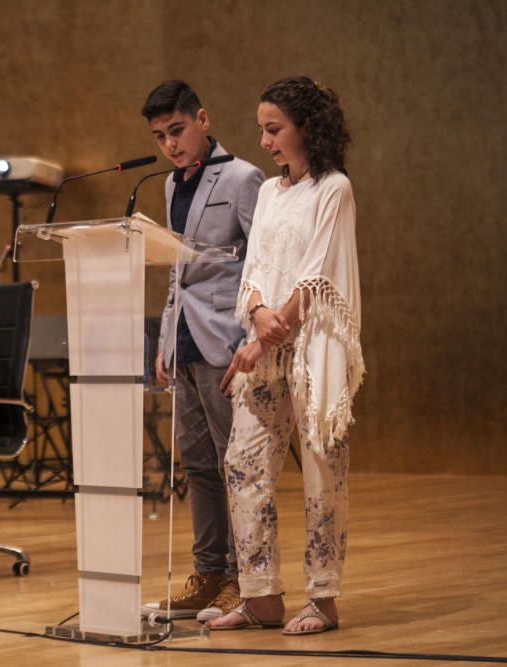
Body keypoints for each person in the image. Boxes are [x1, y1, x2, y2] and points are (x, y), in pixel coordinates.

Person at [209, 76, 364, 635]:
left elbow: (319, 274)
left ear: (306, 127)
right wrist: (255, 315)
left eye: (273, 129)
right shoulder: (271, 193)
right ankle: (261, 594)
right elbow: (253, 270)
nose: (266, 141)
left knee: (323, 471)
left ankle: (323, 598)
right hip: (264, 344)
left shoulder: (334, 189)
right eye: (261, 131)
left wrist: (269, 330)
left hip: (313, 347)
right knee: (243, 464)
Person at [139, 80, 265, 623]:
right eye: (160, 136)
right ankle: (208, 573)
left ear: (202, 119)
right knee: (196, 463)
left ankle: (243, 577)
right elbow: (178, 270)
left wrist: (250, 338)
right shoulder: (170, 184)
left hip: (227, 340)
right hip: (186, 339)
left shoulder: (242, 177)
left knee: (230, 461)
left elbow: (262, 261)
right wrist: (165, 337)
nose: (171, 144)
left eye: (177, 130)